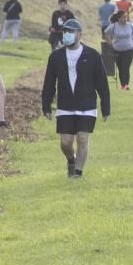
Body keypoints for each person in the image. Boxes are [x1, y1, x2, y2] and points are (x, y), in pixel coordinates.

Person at [41, 18, 110, 178]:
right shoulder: (56, 57)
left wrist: (105, 107)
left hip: (87, 105)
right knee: (65, 142)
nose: (66, 35)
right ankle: (71, 160)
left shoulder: (92, 55)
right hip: (65, 104)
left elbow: (102, 83)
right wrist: (46, 104)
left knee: (82, 138)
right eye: (64, 32)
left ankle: (78, 173)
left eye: (70, 32)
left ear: (79, 35)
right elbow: (49, 82)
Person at [104, 10, 133, 90]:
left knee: (125, 67)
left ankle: (126, 85)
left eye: (126, 17)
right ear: (119, 18)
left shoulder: (130, 25)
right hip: (117, 50)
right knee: (120, 68)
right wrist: (110, 43)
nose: (125, 19)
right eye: (123, 17)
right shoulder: (114, 26)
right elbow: (106, 33)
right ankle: (123, 85)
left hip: (129, 49)